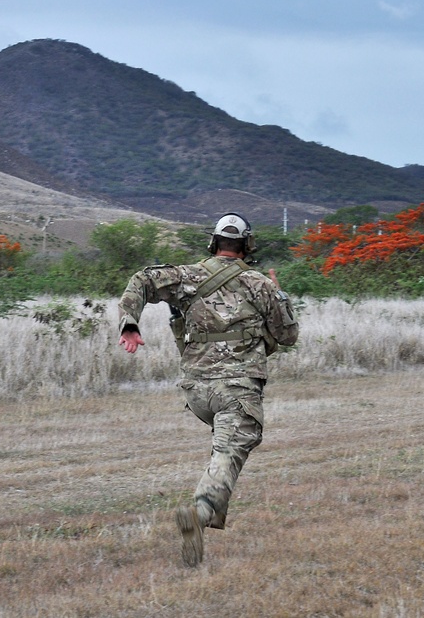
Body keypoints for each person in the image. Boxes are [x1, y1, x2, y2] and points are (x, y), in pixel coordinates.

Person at [118, 212, 299, 567]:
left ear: (213, 242)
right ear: (248, 246)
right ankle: (200, 512)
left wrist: (129, 321)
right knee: (230, 451)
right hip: (237, 389)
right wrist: (279, 294)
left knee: (224, 445)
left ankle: (205, 526)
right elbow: (288, 336)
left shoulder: (186, 276)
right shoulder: (260, 284)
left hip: (196, 391)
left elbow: (142, 279)